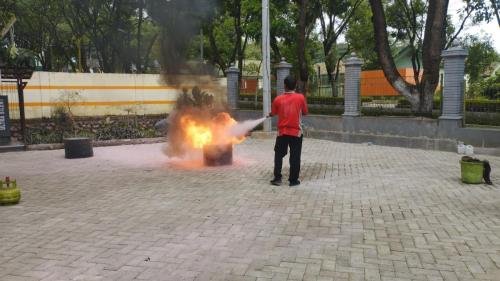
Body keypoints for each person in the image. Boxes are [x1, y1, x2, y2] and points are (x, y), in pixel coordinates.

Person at [268, 75, 308, 186]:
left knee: (278, 155)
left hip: (282, 132)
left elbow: (274, 112)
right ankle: (293, 181)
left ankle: (277, 178)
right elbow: (305, 112)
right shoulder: (300, 98)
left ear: (284, 86)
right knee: (295, 156)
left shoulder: (278, 99)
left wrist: (270, 114)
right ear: (295, 86)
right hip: (296, 133)